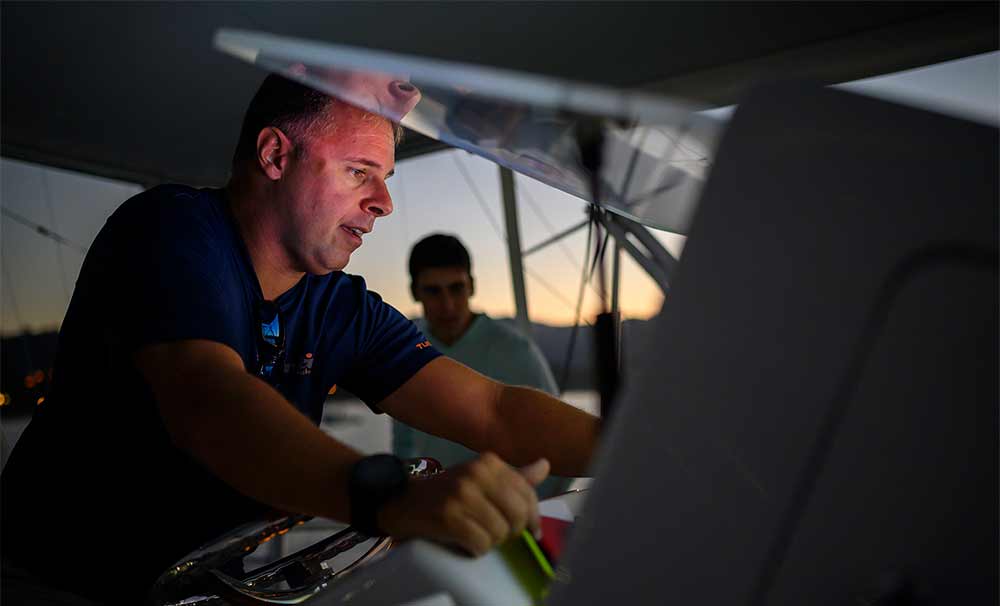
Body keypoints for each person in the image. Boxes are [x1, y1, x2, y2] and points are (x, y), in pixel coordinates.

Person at [0, 74, 599, 605]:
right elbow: (208, 398)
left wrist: (639, 449)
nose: (385, 203)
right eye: (360, 172)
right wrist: (391, 496)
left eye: (386, 178)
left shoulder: (337, 303)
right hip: (50, 583)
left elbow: (494, 411)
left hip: (199, 587)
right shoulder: (171, 231)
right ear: (275, 155)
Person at [393, 234, 570, 498]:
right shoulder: (404, 352)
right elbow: (404, 449)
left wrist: (529, 509)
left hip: (511, 517)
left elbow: (557, 442)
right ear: (414, 292)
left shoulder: (516, 351)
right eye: (433, 291)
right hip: (439, 518)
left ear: (472, 286)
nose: (448, 305)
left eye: (456, 288)